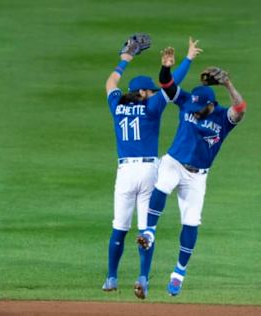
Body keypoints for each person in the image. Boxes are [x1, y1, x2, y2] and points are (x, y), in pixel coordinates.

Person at [133, 49, 247, 299]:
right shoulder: (187, 100)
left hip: (197, 176)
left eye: (200, 107)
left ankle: (179, 274)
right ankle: (149, 231)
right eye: (193, 105)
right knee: (162, 184)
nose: (194, 109)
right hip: (174, 162)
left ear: (211, 104)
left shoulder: (223, 117)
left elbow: (241, 107)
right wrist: (166, 66)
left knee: (191, 222)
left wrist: (227, 83)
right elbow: (166, 84)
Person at [101, 37, 202, 292]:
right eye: (151, 91)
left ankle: (111, 279)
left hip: (124, 172)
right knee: (147, 230)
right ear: (144, 92)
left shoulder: (117, 105)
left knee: (119, 227)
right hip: (148, 172)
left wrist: (125, 59)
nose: (154, 93)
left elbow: (110, 83)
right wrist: (186, 59)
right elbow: (171, 85)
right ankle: (143, 278)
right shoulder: (151, 106)